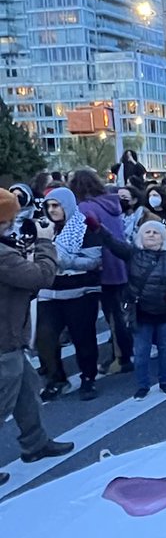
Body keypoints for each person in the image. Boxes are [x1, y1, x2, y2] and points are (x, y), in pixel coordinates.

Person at [0, 189, 74, 481]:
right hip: (4, 339)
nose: (16, 222)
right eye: (11, 218)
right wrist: (44, 242)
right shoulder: (3, 255)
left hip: (11, 335)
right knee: (3, 399)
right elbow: (41, 277)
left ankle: (35, 443)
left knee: (27, 389)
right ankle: (35, 443)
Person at [104, 221, 166, 399]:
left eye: (156, 232)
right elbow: (112, 242)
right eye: (147, 232)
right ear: (140, 237)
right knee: (141, 353)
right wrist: (97, 226)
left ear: (163, 237)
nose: (151, 235)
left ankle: (165, 382)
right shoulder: (133, 254)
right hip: (141, 313)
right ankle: (143, 385)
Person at [34, 187, 104, 400]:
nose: (52, 210)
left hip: (81, 292)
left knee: (83, 338)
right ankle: (56, 379)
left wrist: (59, 259)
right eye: (48, 206)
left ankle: (88, 378)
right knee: (44, 338)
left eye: (56, 206)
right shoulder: (43, 228)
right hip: (49, 292)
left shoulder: (85, 227)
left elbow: (94, 261)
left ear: (67, 205)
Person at [70, 168, 134, 374]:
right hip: (119, 260)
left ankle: (121, 357)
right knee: (117, 313)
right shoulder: (111, 203)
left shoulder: (85, 207)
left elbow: (76, 237)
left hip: (102, 263)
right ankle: (124, 354)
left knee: (113, 316)